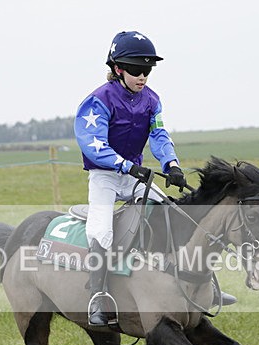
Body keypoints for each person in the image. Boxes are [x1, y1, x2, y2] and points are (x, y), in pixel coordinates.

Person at [74, 30, 188, 327]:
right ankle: (97, 297)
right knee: (102, 231)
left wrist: (172, 164)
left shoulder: (152, 101)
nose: (143, 76)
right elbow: (93, 144)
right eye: (137, 69)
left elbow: (159, 135)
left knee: (171, 212)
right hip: (106, 177)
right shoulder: (97, 101)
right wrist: (125, 166)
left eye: (147, 70)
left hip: (134, 176)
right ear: (117, 69)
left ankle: (190, 282)